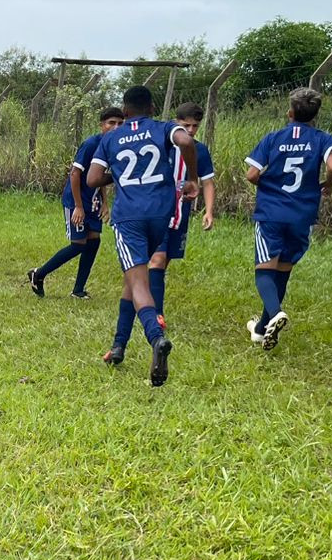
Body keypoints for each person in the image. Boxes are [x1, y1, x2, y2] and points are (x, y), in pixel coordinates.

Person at [87, 85, 197, 387]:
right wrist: (191, 179)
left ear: (125, 111)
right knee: (131, 278)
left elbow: (93, 178)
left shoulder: (111, 138)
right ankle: (119, 346)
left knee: (138, 281)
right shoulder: (163, 128)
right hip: (160, 216)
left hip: (129, 217)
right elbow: (186, 140)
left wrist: (118, 174)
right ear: (151, 108)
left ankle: (156, 338)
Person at [245, 87, 332, 349]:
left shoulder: (274, 138)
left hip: (272, 212)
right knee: (284, 269)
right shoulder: (322, 138)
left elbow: (252, 174)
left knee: (264, 269)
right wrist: (328, 184)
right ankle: (263, 328)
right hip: (302, 214)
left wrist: (269, 183)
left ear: (290, 112)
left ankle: (275, 313)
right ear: (315, 115)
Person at [28, 106, 123, 299]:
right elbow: (75, 173)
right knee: (79, 244)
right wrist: (78, 206)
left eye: (120, 123)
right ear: (102, 125)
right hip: (76, 200)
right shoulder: (91, 144)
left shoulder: (116, 145)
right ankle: (38, 274)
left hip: (93, 202)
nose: (116, 127)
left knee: (94, 241)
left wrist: (105, 202)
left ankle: (78, 290)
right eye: (111, 123)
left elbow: (100, 176)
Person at [146, 101, 217, 321]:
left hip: (181, 212)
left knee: (163, 261)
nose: (191, 130)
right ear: (176, 122)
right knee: (157, 259)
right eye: (187, 125)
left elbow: (208, 182)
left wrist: (208, 211)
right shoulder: (161, 142)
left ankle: (145, 295)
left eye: (195, 126)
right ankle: (156, 314)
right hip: (157, 210)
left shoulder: (200, 150)